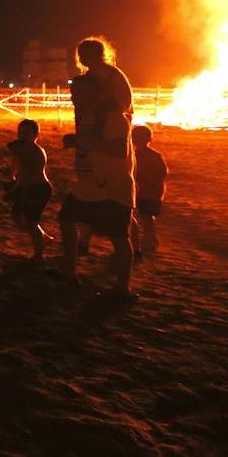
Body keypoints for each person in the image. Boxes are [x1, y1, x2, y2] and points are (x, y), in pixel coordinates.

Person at [55, 37, 136, 299]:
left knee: (118, 236)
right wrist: (79, 142)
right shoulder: (89, 101)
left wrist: (88, 141)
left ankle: (123, 289)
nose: (72, 96)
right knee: (67, 218)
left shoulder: (112, 111)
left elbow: (118, 148)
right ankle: (70, 271)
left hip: (111, 181)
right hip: (91, 179)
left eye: (76, 93)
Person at [7, 119, 51, 264]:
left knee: (31, 222)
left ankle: (39, 256)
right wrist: (12, 177)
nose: (22, 136)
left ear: (36, 135)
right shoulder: (21, 149)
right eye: (20, 132)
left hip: (38, 189)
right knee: (16, 216)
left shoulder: (35, 151)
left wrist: (17, 188)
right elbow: (16, 167)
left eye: (26, 133)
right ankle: (40, 234)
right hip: (25, 187)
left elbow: (28, 173)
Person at [131, 125, 167, 257]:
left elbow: (161, 173)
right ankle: (149, 239)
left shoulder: (152, 156)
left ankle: (150, 240)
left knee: (146, 216)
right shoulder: (138, 155)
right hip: (143, 190)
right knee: (145, 215)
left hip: (150, 191)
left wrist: (148, 183)